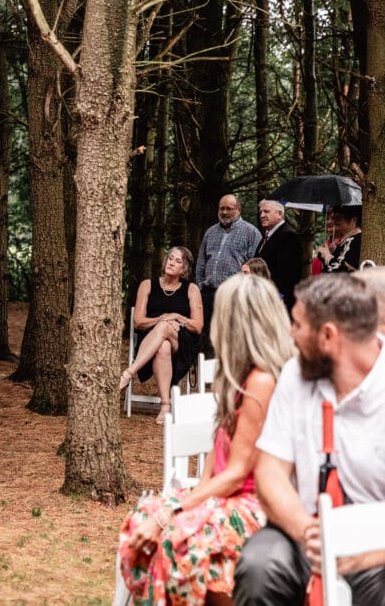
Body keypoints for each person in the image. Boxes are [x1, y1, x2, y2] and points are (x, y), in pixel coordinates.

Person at [119, 273, 292, 605]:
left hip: (253, 505)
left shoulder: (262, 382)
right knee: (145, 519)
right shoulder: (234, 377)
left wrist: (175, 513)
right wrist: (177, 506)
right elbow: (211, 470)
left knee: (178, 538)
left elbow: (237, 473)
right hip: (223, 496)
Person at [233, 274, 385, 604]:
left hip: (377, 548)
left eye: (298, 325)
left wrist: (367, 552)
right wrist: (312, 534)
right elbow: (270, 473)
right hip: (303, 533)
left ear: (328, 336)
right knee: (260, 564)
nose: (291, 333)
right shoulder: (294, 374)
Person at [119, 247, 203, 424]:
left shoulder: (191, 289)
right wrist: (161, 319)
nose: (172, 262)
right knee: (163, 345)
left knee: (165, 327)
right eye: (170, 258)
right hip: (150, 341)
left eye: (178, 261)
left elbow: (197, 326)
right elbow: (139, 321)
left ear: (184, 269)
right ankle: (165, 406)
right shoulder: (147, 285)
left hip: (181, 342)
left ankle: (129, 373)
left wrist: (177, 317)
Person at [196, 195, 261, 351]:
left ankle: (230, 373)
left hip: (234, 295)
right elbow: (201, 262)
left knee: (231, 338)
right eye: (221, 208)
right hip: (209, 294)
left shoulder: (251, 232)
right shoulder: (210, 232)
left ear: (238, 210)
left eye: (228, 208)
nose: (224, 212)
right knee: (209, 338)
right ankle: (210, 374)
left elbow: (256, 266)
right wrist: (200, 286)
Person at [255, 199, 303, 310]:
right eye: (261, 212)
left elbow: (289, 276)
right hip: (262, 299)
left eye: (266, 211)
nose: (262, 215)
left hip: (276, 303)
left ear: (279, 214)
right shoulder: (267, 236)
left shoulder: (289, 237)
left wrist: (279, 300)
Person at [316, 205, 361, 273]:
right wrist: (332, 253)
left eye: (338, 217)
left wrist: (328, 257)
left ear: (353, 220)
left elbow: (345, 271)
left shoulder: (356, 241)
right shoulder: (347, 240)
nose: (333, 220)